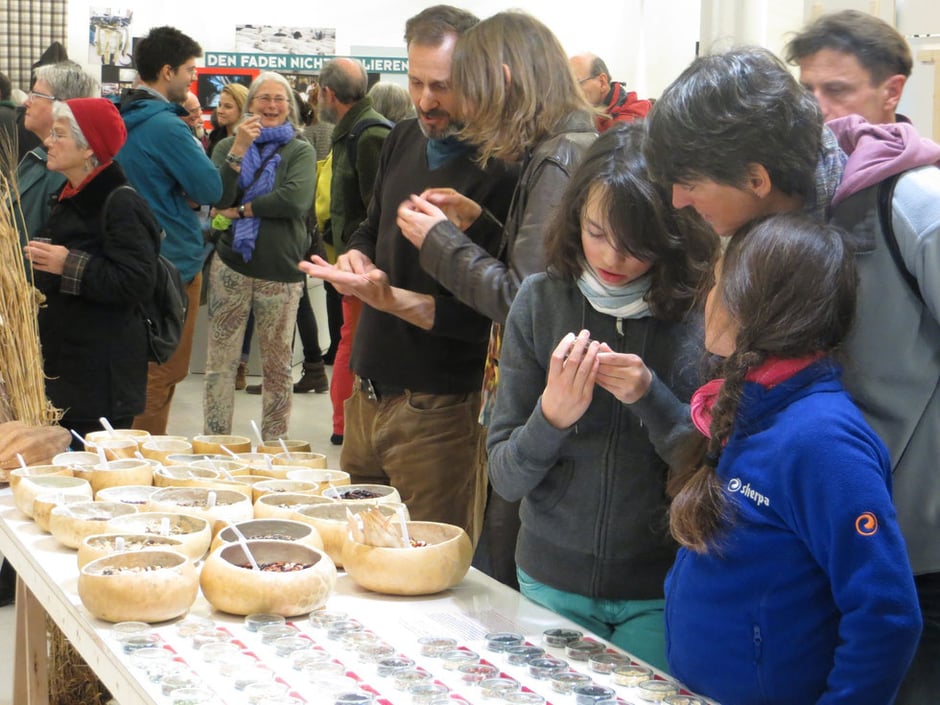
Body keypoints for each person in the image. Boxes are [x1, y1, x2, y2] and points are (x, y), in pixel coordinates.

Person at [644, 46, 940, 705]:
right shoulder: (763, 230)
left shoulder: (911, 208)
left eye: (690, 181)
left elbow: (886, 616)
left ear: (754, 177)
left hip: (909, 563)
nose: (677, 199)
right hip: (810, 562)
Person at [665, 213, 921, 705]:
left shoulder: (825, 441)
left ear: (761, 306)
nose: (707, 301)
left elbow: (887, 613)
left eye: (718, 286)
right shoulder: (756, 402)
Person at [487, 124, 716, 669]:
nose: (612, 256)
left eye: (636, 244)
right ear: (574, 221)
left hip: (657, 587)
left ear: (669, 236)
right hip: (550, 578)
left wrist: (651, 397)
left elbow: (713, 469)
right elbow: (505, 476)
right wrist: (551, 416)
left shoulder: (698, 312)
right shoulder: (540, 300)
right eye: (595, 232)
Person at [301, 4, 517, 543]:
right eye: (415, 81)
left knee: (426, 565)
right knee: (357, 554)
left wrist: (392, 298)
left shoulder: (507, 165)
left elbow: (498, 309)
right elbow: (369, 228)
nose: (426, 101)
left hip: (440, 408)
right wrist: (359, 260)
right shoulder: (403, 136)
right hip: (368, 392)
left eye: (442, 86)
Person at [396, 9, 596, 587]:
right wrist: (480, 225)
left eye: (467, 90)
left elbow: (525, 303)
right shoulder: (563, 148)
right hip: (544, 397)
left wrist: (440, 244)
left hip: (544, 404)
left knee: (505, 573)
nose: (460, 109)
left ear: (505, 82)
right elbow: (544, 272)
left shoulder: (559, 156)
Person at [23, 98, 160, 442]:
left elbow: (138, 281)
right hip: (72, 368)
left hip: (102, 378)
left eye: (59, 135)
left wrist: (67, 264)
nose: (47, 142)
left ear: (88, 149)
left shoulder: (120, 202)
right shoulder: (69, 194)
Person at [116, 25, 222, 436]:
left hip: (136, 255)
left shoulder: (121, 115)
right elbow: (209, 187)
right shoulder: (167, 126)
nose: (191, 80)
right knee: (163, 368)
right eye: (189, 72)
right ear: (166, 71)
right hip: (172, 262)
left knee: (146, 367)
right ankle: (139, 467)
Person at [204, 71, 316, 440]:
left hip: (281, 272)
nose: (270, 105)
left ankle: (274, 449)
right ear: (250, 104)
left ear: (290, 107)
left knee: (278, 367)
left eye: (279, 99)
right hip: (231, 267)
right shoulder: (226, 148)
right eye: (263, 98)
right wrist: (237, 151)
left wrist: (242, 211)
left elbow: (293, 200)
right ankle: (215, 444)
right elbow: (220, 198)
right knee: (220, 365)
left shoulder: (300, 150)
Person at [317, 57, 391, 445]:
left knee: (352, 343)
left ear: (328, 93)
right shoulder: (354, 133)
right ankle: (345, 425)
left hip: (366, 269)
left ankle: (347, 426)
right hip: (354, 264)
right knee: (351, 340)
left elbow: (378, 211)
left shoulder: (369, 135)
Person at [14, 61, 98, 243]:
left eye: (35, 95)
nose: (26, 102)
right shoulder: (38, 157)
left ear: (62, 105)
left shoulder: (70, 171)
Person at [784, 9, 912, 124]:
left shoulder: (923, 151)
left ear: (892, 92)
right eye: (807, 91)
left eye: (835, 90)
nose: (815, 111)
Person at [569, 53, 651, 132]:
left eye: (576, 84)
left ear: (602, 82)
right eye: (567, 86)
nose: (570, 92)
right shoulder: (578, 117)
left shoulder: (626, 126)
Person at [206, 83, 248, 158]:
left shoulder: (250, 139)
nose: (220, 111)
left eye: (228, 107)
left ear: (242, 109)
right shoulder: (214, 136)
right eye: (219, 105)